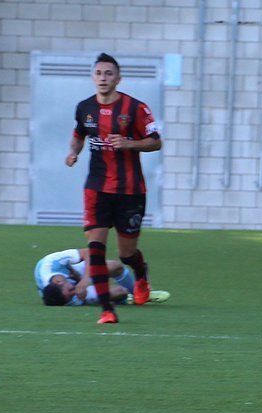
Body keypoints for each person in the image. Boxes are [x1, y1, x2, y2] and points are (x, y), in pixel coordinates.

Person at [65, 53, 162, 324]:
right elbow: (78, 136)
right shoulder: (84, 108)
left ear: (118, 78)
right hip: (96, 188)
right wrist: (73, 153)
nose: (103, 78)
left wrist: (130, 143)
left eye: (109, 74)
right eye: (99, 73)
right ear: (93, 77)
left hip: (130, 190)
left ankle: (140, 275)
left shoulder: (136, 108)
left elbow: (156, 141)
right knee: (95, 247)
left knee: (126, 253)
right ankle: (107, 310)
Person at [35, 248, 170, 307]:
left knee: (116, 266)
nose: (73, 293)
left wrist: (83, 280)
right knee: (120, 292)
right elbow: (71, 297)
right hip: (71, 278)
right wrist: (83, 298)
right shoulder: (63, 298)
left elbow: (88, 253)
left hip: (74, 272)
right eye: (71, 296)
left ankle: (140, 293)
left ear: (59, 282)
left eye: (71, 291)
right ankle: (129, 298)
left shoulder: (51, 262)